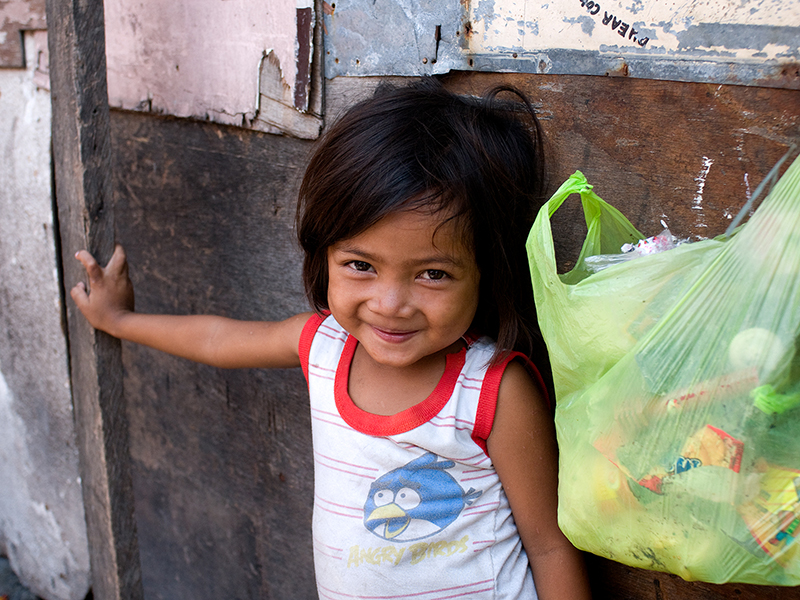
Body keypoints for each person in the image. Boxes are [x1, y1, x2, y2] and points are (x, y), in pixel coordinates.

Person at [71, 78, 591, 599]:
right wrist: (119, 321)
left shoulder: (491, 391)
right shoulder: (323, 347)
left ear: (486, 272)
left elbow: (549, 546)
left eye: (433, 274)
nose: (390, 303)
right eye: (361, 265)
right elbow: (217, 341)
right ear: (324, 257)